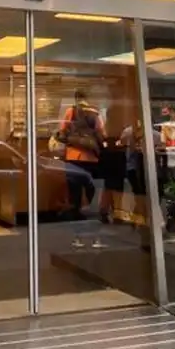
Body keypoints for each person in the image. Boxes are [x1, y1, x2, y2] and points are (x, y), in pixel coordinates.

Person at [59, 90, 105, 248]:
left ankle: (77, 237)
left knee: (75, 198)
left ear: (76, 99)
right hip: (91, 159)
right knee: (93, 197)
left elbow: (62, 131)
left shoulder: (70, 111)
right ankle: (95, 238)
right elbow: (102, 133)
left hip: (73, 158)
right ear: (87, 98)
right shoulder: (95, 113)